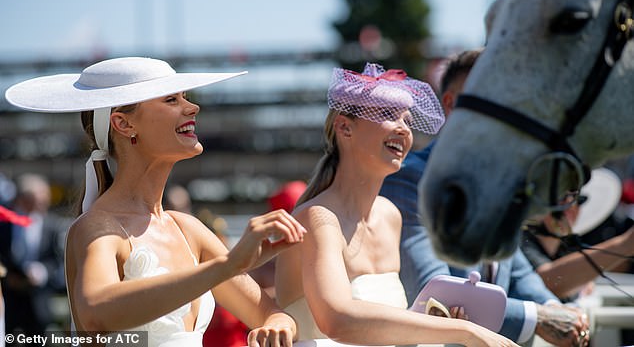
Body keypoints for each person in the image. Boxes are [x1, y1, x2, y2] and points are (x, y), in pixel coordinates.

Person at [4, 57, 306, 347]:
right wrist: (227, 265)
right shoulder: (98, 227)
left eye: (184, 96)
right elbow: (96, 312)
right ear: (123, 124)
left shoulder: (189, 229)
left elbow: (273, 314)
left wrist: (276, 325)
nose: (193, 107)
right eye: (171, 100)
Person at [275, 62, 518, 346]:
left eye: (407, 120)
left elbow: (386, 328)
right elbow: (337, 320)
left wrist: (440, 321)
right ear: (345, 128)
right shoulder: (318, 218)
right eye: (389, 116)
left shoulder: (389, 215)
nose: (404, 130)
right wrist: (463, 332)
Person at [380, 48, 590, 347]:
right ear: (451, 106)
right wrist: (538, 317)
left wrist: (556, 308)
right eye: (490, 102)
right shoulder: (411, 179)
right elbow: (435, 296)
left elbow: (516, 270)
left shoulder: (496, 182)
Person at [521, 167, 634, 302]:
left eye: (577, 200)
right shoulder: (519, 242)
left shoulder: (565, 249)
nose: (570, 207)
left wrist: (581, 278)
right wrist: (626, 244)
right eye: (561, 198)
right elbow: (546, 282)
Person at [0, 173, 70, 335]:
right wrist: (8, 276)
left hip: (39, 302)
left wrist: (42, 272)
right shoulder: (4, 224)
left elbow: (59, 261)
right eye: (39, 197)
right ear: (24, 198)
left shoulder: (52, 226)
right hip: (9, 299)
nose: (44, 201)